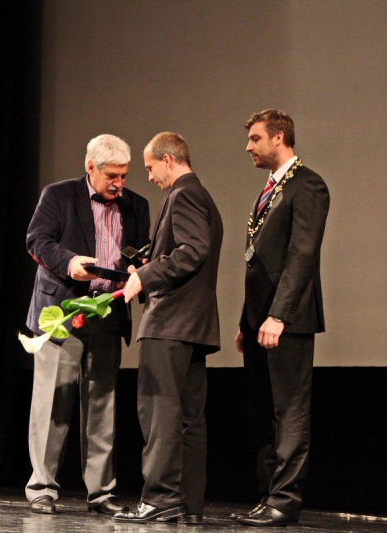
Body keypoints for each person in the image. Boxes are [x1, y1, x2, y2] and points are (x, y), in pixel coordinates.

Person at [23, 134, 150, 515]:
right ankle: (42, 488)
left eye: (124, 176)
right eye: (112, 175)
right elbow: (37, 240)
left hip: (107, 315)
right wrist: (68, 262)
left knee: (102, 407)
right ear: (90, 167)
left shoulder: (136, 205)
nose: (119, 183)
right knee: (53, 403)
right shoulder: (58, 195)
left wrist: (139, 268)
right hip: (62, 313)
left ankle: (101, 493)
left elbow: (139, 252)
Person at [114, 132, 223, 524]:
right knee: (189, 418)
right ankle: (188, 504)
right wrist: (150, 263)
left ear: (167, 159)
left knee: (159, 411)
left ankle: (160, 498)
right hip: (193, 326)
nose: (149, 177)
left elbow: (193, 250)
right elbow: (188, 251)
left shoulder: (184, 194)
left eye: (149, 168)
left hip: (170, 323)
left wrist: (144, 275)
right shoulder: (203, 196)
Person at [233, 110, 330, 527]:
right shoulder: (273, 187)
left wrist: (277, 315)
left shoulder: (308, 185)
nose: (248, 147)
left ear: (278, 137)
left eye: (255, 139)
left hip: (286, 320)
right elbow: (259, 263)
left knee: (289, 411)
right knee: (263, 411)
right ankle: (268, 494)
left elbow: (301, 256)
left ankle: (285, 500)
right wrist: (247, 320)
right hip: (260, 320)